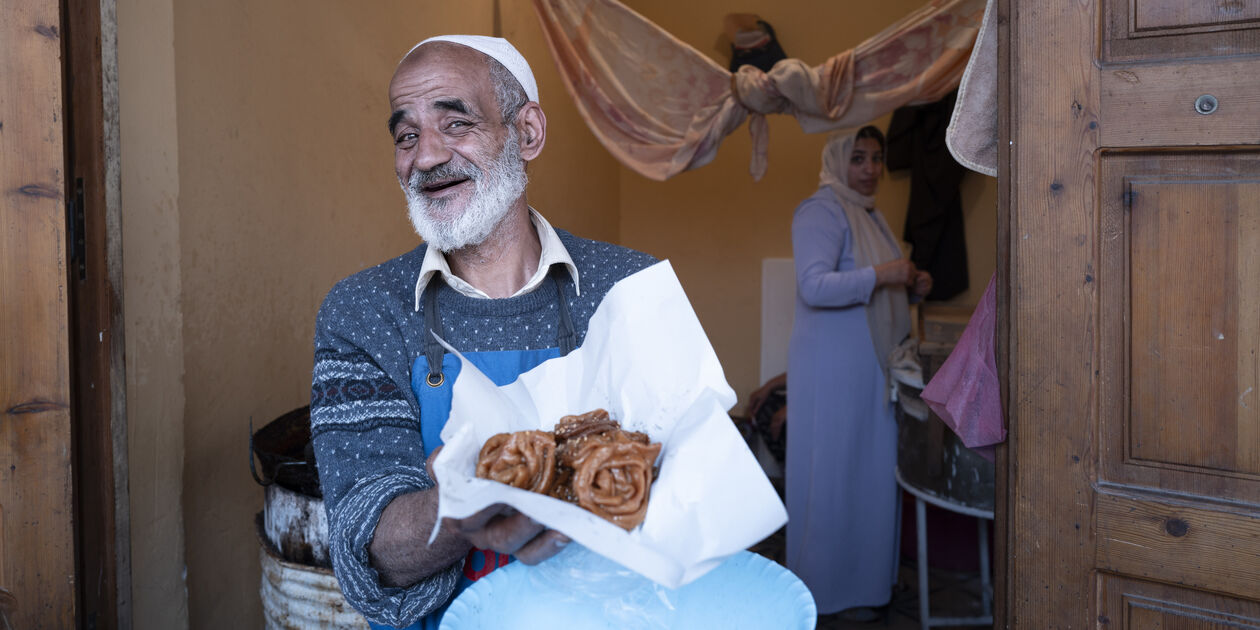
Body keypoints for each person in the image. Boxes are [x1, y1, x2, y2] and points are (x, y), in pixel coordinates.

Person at [309, 35, 656, 629]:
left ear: (527, 133)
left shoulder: (630, 287)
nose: (425, 158)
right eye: (406, 135)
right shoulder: (364, 310)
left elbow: (688, 473)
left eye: (455, 123)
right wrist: (465, 502)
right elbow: (368, 541)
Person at [785, 126, 932, 621]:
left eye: (876, 158)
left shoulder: (869, 215)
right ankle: (823, 593)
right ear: (838, 162)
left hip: (870, 364)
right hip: (833, 370)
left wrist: (912, 286)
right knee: (833, 472)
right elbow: (815, 286)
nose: (870, 169)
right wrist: (886, 274)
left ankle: (867, 586)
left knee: (869, 472)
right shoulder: (821, 210)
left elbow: (880, 286)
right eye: (859, 159)